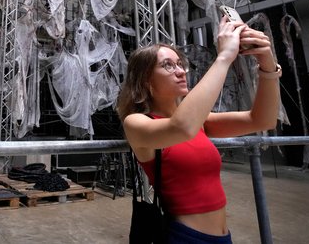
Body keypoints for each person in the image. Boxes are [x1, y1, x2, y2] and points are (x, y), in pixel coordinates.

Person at [117, 15, 281, 243]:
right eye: (168, 65)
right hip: (185, 237)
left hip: (224, 237)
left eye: (180, 64)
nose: (181, 71)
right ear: (145, 81)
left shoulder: (201, 122)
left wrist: (267, 63)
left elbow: (262, 120)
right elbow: (181, 127)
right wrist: (223, 57)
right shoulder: (137, 123)